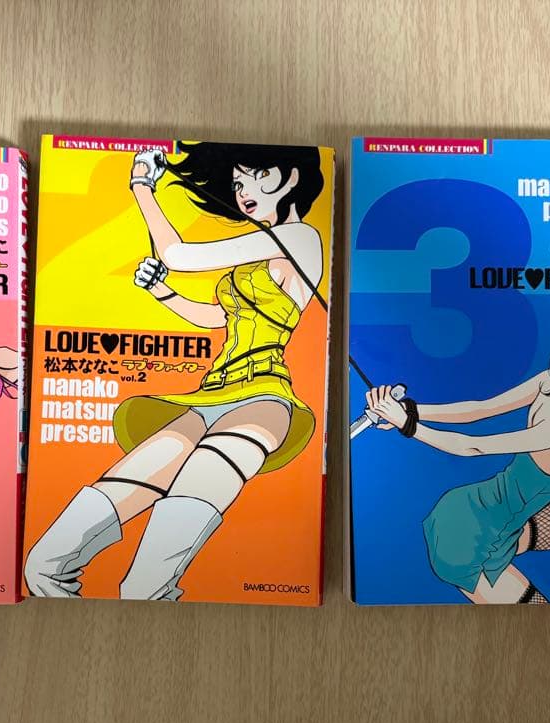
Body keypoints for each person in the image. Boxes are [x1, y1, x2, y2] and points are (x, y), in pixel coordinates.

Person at [23, 141, 327, 600]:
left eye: (257, 176)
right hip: (207, 397)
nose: (243, 191)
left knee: (143, 586)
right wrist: (163, 292)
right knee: (42, 565)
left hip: (262, 399)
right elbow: (218, 317)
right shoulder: (257, 254)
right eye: (237, 182)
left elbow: (178, 255)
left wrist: (141, 185)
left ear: (292, 178)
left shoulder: (302, 238)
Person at [363, 298, 550, 604]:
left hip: (494, 515)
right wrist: (407, 424)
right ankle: (506, 545)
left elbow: (479, 409)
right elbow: (472, 446)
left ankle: (516, 538)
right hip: (464, 541)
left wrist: (412, 410)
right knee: (539, 611)